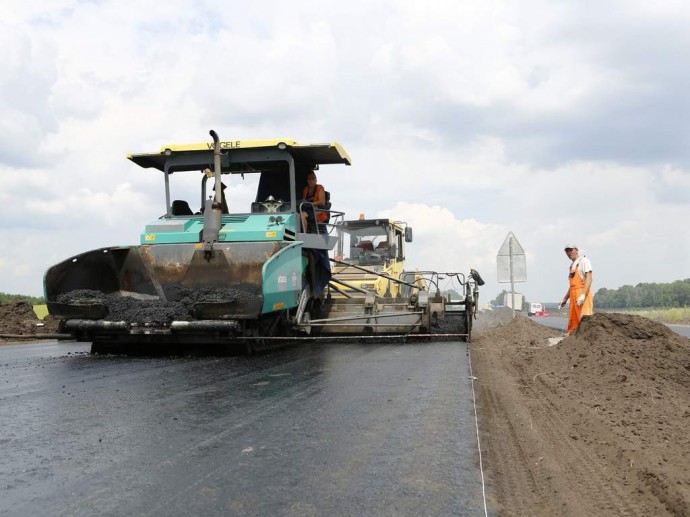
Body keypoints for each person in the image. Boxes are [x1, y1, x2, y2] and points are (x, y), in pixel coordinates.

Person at [558, 243, 593, 334]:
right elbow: (572, 286)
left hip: (582, 296)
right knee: (574, 324)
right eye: (567, 251)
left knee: (584, 321)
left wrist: (583, 295)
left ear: (576, 250)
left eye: (571, 250)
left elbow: (589, 278)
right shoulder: (572, 266)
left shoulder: (584, 261)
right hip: (574, 298)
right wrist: (565, 298)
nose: (569, 253)